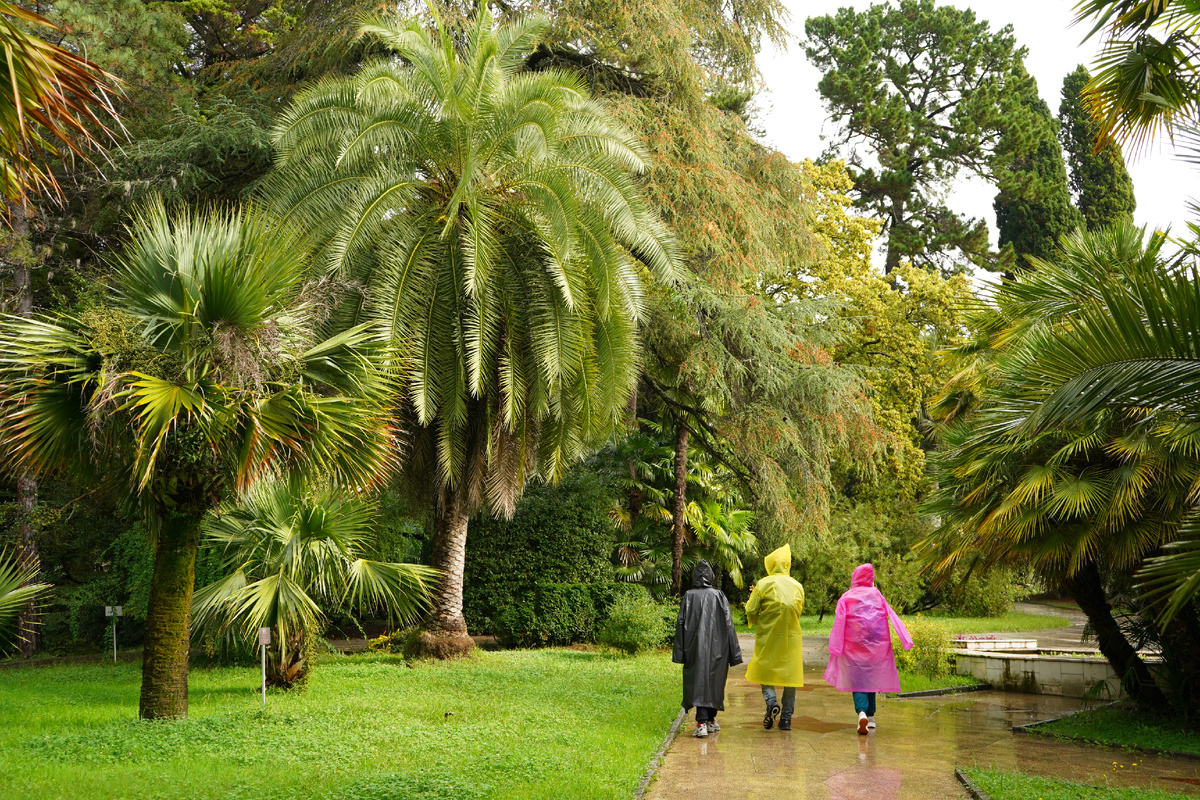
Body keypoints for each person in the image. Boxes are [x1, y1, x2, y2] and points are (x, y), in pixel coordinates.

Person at [823, 563, 914, 735]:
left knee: (857, 680)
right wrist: (905, 639)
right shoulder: (877, 595)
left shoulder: (847, 597)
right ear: (871, 578)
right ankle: (871, 717)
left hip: (853, 647)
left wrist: (836, 647)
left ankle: (862, 712)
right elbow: (892, 616)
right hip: (876, 646)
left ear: (855, 577)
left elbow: (839, 622)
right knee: (871, 677)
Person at [673, 559, 742, 738]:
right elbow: (729, 625)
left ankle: (705, 722)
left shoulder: (689, 596)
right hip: (718, 648)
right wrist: (734, 654)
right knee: (713, 682)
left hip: (694, 648)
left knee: (699, 683)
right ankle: (707, 720)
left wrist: (679, 653)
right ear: (710, 577)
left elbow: (681, 624)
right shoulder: (719, 596)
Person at [744, 544, 805, 731]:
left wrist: (752, 610)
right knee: (790, 677)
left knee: (764, 668)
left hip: (768, 636)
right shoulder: (797, 586)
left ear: (770, 565)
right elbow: (798, 610)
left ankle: (771, 701)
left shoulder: (763, 584)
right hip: (791, 638)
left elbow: (751, 610)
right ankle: (786, 719)